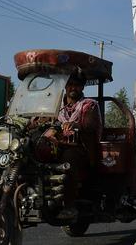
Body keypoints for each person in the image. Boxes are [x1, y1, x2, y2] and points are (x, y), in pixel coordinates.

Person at [54, 71, 102, 220]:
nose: (73, 88)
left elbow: (89, 124)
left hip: (82, 148)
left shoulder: (89, 105)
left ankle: (69, 205)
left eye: (77, 85)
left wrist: (74, 124)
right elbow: (44, 118)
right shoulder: (55, 105)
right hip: (57, 145)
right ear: (65, 86)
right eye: (70, 84)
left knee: (68, 160)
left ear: (82, 87)